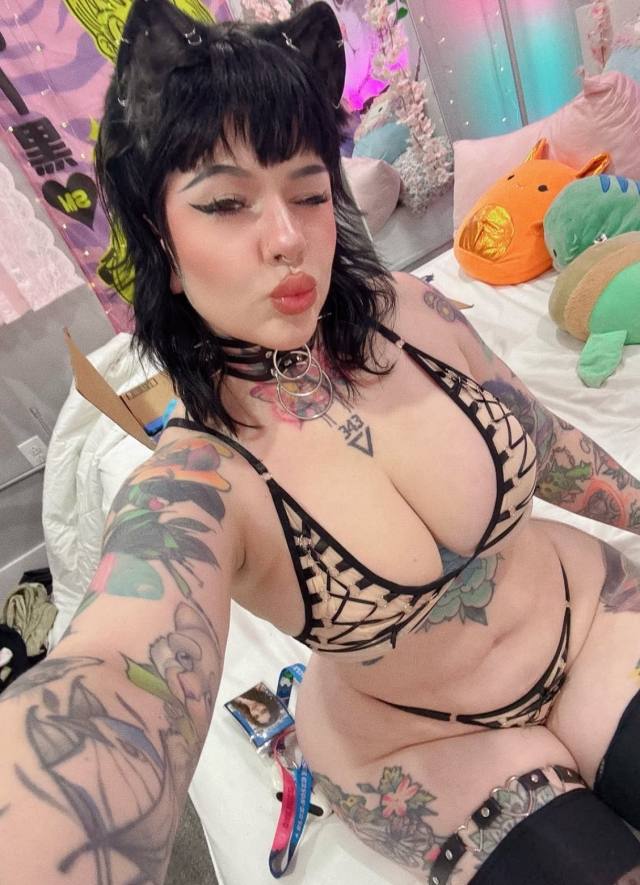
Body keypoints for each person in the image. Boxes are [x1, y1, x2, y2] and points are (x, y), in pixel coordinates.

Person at [1, 1, 640, 882]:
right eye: (226, 203)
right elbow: (115, 667)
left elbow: (544, 436)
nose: (287, 238)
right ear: (161, 240)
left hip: (591, 623)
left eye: (308, 192)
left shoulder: (412, 311)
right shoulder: (194, 484)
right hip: (423, 748)